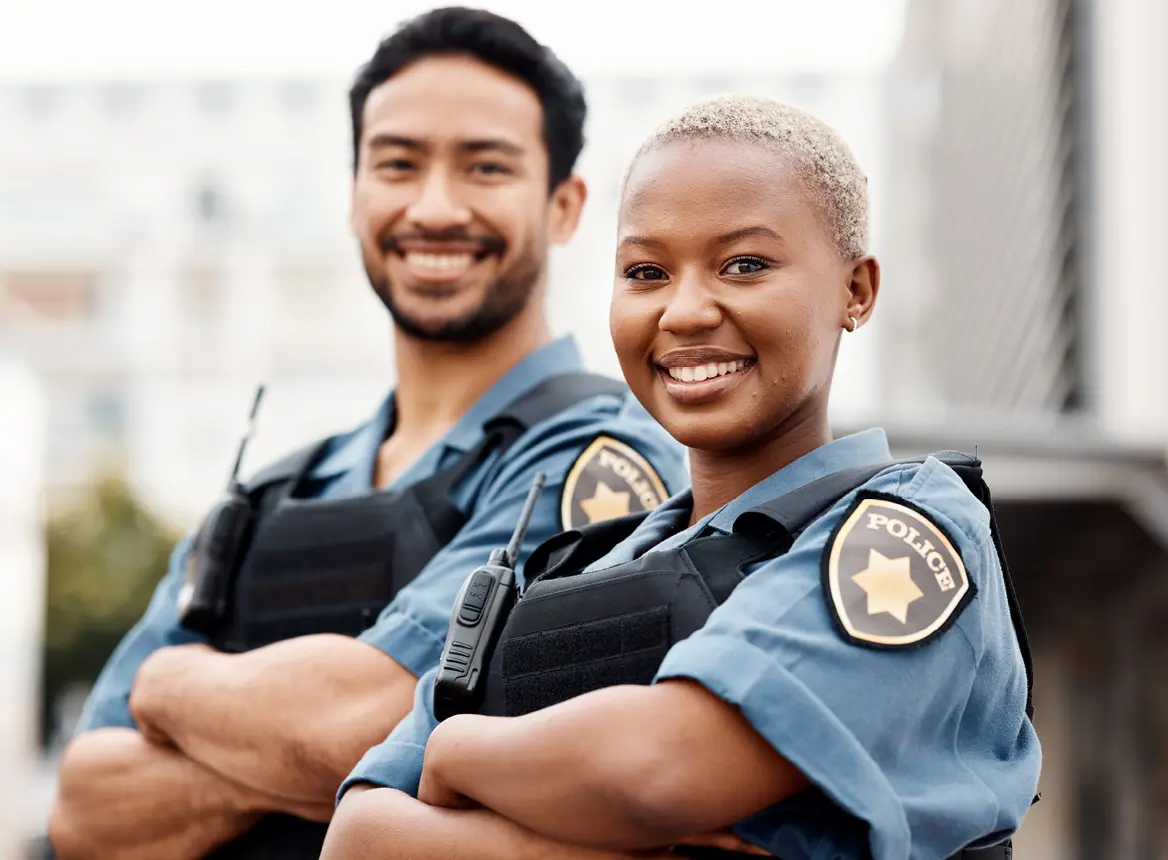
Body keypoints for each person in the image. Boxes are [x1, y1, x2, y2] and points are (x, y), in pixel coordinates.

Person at [319, 95, 1042, 860]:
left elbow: (660, 770)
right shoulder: (563, 571)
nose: (686, 311)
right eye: (647, 272)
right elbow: (359, 835)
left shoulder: (909, 531)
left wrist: (457, 752)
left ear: (855, 291)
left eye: (745, 265)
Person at [46, 8, 689, 860]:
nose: (435, 206)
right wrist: (307, 760)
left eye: (486, 166)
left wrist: (171, 688)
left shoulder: (598, 461)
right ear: (354, 195)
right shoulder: (267, 494)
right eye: (397, 164)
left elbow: (360, 721)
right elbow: (84, 812)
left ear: (565, 206)